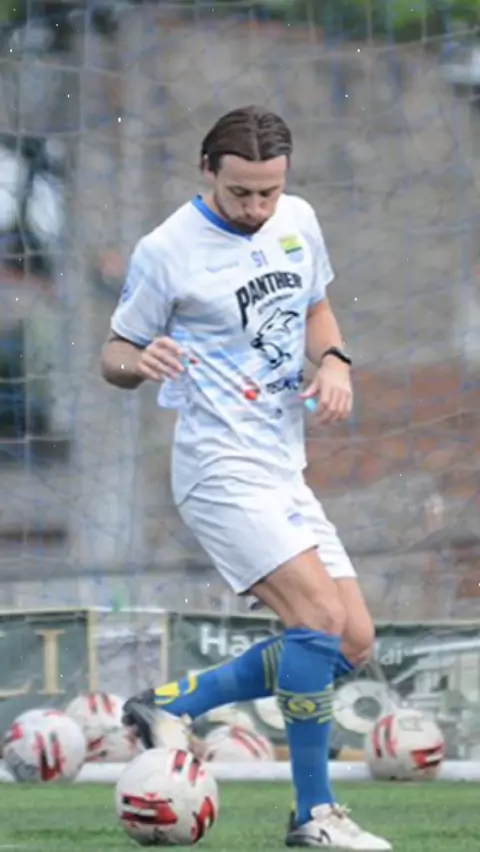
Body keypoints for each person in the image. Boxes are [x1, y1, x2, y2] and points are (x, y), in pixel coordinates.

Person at [100, 105, 391, 851]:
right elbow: (114, 353)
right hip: (218, 468)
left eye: (269, 191)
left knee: (352, 641)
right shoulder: (167, 249)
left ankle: (170, 703)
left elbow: (316, 306)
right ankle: (314, 815)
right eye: (241, 193)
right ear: (208, 172)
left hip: (283, 467)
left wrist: (335, 362)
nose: (257, 208)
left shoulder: (299, 219)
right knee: (316, 619)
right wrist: (141, 360)